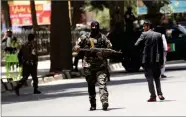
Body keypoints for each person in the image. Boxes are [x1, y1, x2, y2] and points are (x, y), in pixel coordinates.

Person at [74, 21, 112, 111]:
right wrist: (77, 48)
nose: (94, 31)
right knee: (91, 85)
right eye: (93, 29)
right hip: (88, 65)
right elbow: (76, 47)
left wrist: (103, 53)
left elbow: (110, 48)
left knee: (102, 83)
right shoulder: (85, 37)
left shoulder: (103, 38)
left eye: (96, 29)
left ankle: (104, 101)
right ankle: (93, 104)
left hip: (100, 65)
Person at [135, 21, 165, 102]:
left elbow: (137, 44)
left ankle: (153, 96)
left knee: (150, 78)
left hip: (147, 60)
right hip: (156, 60)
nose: (143, 28)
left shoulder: (143, 34)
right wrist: (162, 62)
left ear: (148, 26)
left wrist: (143, 48)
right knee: (157, 78)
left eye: (144, 26)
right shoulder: (158, 35)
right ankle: (160, 94)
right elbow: (161, 50)